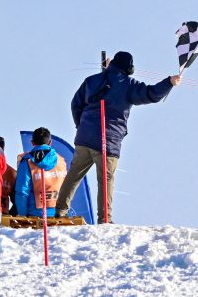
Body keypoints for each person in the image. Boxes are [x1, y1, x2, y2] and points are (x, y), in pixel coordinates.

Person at [54, 51, 180, 222]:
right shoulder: (128, 84)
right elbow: (151, 93)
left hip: (85, 137)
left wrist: (80, 126)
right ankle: (104, 219)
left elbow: (75, 104)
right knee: (106, 180)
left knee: (74, 175)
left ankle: (60, 210)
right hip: (108, 140)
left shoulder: (92, 80)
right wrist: (169, 82)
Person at [14, 127, 67, 218]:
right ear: (50, 143)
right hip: (59, 214)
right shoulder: (61, 161)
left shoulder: (27, 161)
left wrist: (22, 214)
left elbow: (22, 191)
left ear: (32, 142)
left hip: (35, 214)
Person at [0, 135, 18, 216]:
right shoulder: (12, 173)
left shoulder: (12, 174)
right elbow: (17, 203)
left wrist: (9, 216)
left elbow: (17, 202)